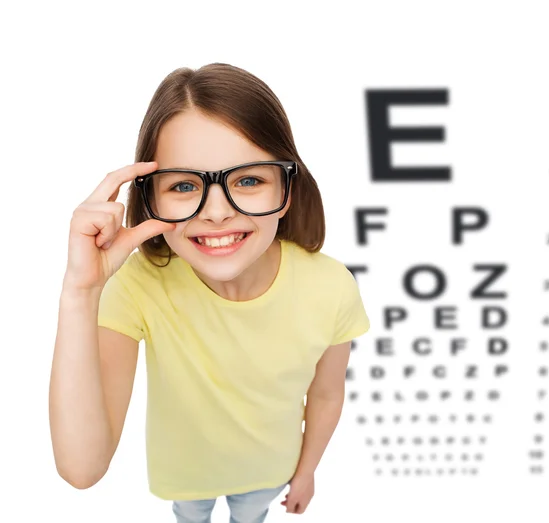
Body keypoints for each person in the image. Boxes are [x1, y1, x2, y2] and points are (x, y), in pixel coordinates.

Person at [49, 62, 370, 523]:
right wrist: (80, 292)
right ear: (149, 200)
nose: (217, 213)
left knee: (249, 515)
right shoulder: (140, 285)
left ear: (288, 186)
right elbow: (82, 469)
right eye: (184, 185)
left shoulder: (331, 286)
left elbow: (325, 394)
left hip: (268, 473)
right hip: (185, 477)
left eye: (248, 180)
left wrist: (307, 472)